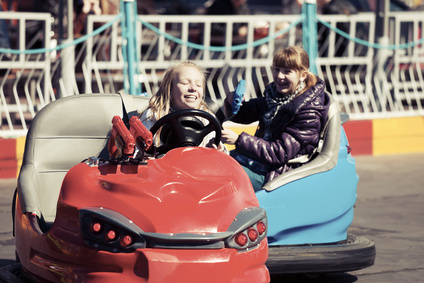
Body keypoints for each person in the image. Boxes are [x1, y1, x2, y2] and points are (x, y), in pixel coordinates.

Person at [221, 46, 330, 191]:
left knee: (225, 175)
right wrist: (232, 103)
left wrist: (239, 140)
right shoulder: (276, 97)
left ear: (303, 75)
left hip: (281, 170)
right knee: (215, 161)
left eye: (287, 71)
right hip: (261, 160)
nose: (279, 76)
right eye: (277, 69)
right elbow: (247, 112)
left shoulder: (309, 112)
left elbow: (281, 152)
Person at [139, 61, 228, 153]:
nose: (193, 88)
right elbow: (139, 152)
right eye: (185, 83)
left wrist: (218, 150)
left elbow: (218, 148)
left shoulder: (207, 119)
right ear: (169, 90)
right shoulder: (153, 116)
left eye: (198, 85)